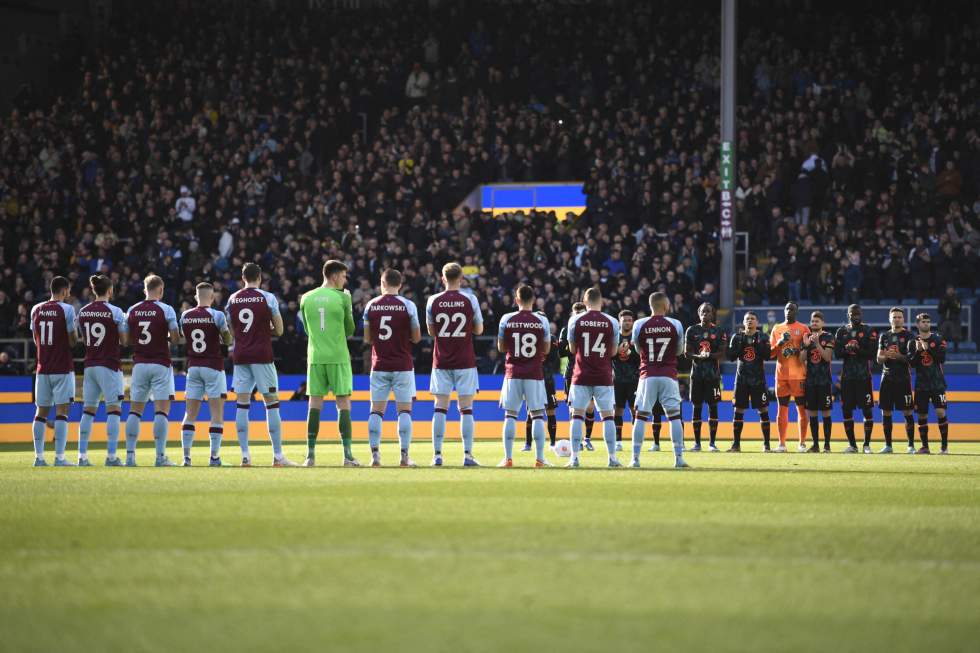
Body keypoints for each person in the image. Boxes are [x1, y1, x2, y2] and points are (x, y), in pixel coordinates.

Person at [227, 263, 296, 467]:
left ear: (243, 277)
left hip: (240, 355)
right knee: (271, 403)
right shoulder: (268, 298)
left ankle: (245, 456)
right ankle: (277, 456)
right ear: (260, 277)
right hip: (262, 354)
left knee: (242, 404)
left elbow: (232, 330)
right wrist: (265, 331)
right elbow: (281, 330)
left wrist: (245, 336)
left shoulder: (233, 299)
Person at [362, 268, 422, 467]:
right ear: (400, 284)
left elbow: (367, 338)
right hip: (403, 365)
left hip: (379, 365)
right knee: (404, 411)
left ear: (382, 283)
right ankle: (404, 456)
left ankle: (375, 456)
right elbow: (416, 337)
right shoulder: (408, 306)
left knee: (376, 411)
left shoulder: (371, 306)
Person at [426, 262, 484, 467]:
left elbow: (432, 332)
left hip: (441, 360)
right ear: (461, 279)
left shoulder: (433, 301)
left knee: (440, 408)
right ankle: (468, 455)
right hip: (465, 361)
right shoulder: (470, 300)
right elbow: (478, 330)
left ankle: (437, 455)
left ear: (443, 279)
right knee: (466, 408)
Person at [301, 260, 358, 466]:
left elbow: (307, 330)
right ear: (334, 276)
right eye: (343, 276)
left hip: (315, 358)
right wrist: (349, 305)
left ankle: (310, 456)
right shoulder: (343, 298)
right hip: (338, 357)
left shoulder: (306, 298)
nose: (345, 280)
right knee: (343, 403)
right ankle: (347, 455)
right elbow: (350, 330)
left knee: (314, 404)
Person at [125, 274, 180, 466]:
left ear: (144, 290)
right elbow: (175, 339)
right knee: (162, 410)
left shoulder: (132, 310)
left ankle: (130, 457)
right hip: (160, 363)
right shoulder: (166, 309)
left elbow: (125, 340)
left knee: (135, 410)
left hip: (139, 364)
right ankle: (160, 457)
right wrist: (164, 335)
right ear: (161, 289)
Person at [630, 292, 688, 469]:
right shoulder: (675, 324)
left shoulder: (639, 324)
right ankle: (678, 459)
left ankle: (635, 459)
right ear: (665, 305)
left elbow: (638, 349)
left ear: (651, 305)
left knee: (640, 417)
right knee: (674, 417)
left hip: (647, 374)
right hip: (669, 375)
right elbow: (679, 351)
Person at [496, 285, 552, 467]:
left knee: (510, 415)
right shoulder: (541, 320)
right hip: (534, 372)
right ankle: (540, 458)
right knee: (537, 415)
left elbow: (501, 347)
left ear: (516, 300)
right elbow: (547, 348)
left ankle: (508, 458)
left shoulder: (507, 319)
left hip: (513, 372)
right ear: (533, 300)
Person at [76, 274, 128, 466]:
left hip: (90, 365)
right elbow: (124, 341)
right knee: (113, 410)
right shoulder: (115, 311)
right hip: (109, 364)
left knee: (88, 411)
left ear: (93, 290)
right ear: (110, 290)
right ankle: (111, 456)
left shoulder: (83, 311)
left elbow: (83, 337)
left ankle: (82, 456)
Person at [566, 287, 620, 467]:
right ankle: (612, 458)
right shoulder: (612, 321)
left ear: (585, 301)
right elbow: (613, 352)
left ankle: (574, 458)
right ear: (601, 301)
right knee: (608, 417)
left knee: (577, 416)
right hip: (603, 375)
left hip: (581, 374)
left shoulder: (575, 320)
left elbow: (573, 350)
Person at [179, 282, 232, 466]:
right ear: (212, 297)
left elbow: (182, 338)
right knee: (216, 414)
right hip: (213, 366)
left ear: (196, 297)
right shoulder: (217, 315)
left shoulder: (185, 316)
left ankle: (186, 458)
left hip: (193, 366)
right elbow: (227, 339)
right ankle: (214, 458)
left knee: (190, 414)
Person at [29, 276, 78, 466]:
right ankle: (59, 458)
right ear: (64, 291)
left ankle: (39, 458)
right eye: (69, 290)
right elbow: (72, 341)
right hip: (63, 368)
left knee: (40, 412)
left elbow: (36, 339)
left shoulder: (36, 309)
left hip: (43, 368)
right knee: (62, 412)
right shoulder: (66, 309)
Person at [834, 304, 878, 454]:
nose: (856, 315)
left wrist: (857, 348)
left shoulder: (868, 331)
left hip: (864, 377)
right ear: (848, 314)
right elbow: (837, 354)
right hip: (847, 378)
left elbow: (872, 354)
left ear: (862, 314)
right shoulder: (841, 331)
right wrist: (847, 349)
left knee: (867, 410)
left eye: (858, 313)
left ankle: (866, 444)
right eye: (853, 313)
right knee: (846, 410)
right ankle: (852, 445)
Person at [684, 302, 727, 452]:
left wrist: (709, 355)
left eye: (708, 312)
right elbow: (687, 353)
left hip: (713, 376)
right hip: (696, 375)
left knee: (713, 407)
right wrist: (699, 356)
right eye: (703, 311)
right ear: (698, 313)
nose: (705, 314)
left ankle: (712, 443)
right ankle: (697, 443)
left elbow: (722, 353)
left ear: (713, 314)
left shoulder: (719, 331)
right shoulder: (692, 330)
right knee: (696, 407)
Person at [727, 312, 772, 452]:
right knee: (738, 410)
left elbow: (768, 356)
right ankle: (736, 444)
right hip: (741, 379)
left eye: (752, 319)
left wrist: (758, 343)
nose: (750, 321)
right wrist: (740, 343)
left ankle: (766, 444)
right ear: (743, 322)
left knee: (763, 409)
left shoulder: (763, 336)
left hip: (758, 379)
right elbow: (731, 357)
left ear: (757, 322)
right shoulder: (737, 337)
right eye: (747, 319)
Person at [769, 302, 810, 452]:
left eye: (792, 309)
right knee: (782, 410)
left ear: (796, 312)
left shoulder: (804, 328)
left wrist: (797, 351)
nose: (788, 311)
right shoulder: (777, 328)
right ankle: (781, 444)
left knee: (801, 410)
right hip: (781, 375)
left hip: (799, 375)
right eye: (786, 308)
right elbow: (770, 353)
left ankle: (802, 443)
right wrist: (779, 344)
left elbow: (807, 352)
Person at [876, 307, 916, 454]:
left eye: (899, 317)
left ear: (903, 319)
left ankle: (911, 445)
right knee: (885, 412)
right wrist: (886, 356)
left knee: (907, 411)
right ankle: (888, 446)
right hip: (886, 378)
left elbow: (912, 360)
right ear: (889, 319)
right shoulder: (884, 336)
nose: (897, 319)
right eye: (894, 317)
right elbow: (878, 359)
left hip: (903, 379)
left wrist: (898, 355)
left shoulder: (910, 336)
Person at [908, 314, 949, 454]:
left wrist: (928, 349)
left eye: (928, 321)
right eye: (923, 322)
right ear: (918, 324)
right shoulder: (912, 341)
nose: (926, 324)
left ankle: (944, 447)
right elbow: (911, 364)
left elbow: (941, 359)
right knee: (921, 415)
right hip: (921, 385)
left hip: (937, 383)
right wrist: (919, 352)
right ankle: (925, 446)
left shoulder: (938, 339)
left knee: (940, 412)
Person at [558, 302, 596, 450]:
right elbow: (561, 352)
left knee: (590, 407)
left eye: (582, 313)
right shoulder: (566, 329)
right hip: (572, 372)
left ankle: (587, 439)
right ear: (572, 314)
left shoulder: (593, 328)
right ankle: (577, 440)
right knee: (573, 407)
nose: (579, 316)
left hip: (589, 370)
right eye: (577, 313)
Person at [523, 312, 559, 452]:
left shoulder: (551, 338)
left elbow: (554, 361)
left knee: (550, 411)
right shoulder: (528, 337)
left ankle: (553, 443)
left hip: (547, 380)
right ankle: (528, 444)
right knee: (530, 412)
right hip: (532, 378)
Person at [800, 311, 834, 452]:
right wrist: (807, 345)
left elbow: (827, 357)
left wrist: (816, 344)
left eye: (817, 321)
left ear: (822, 323)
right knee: (812, 413)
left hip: (824, 381)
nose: (814, 323)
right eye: (813, 321)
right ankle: (815, 444)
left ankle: (826, 444)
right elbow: (801, 359)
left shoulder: (828, 337)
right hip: (811, 381)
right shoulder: (806, 337)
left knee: (826, 412)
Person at [612, 309, 641, 453]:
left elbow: (642, 357)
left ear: (633, 322)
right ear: (619, 322)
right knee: (617, 410)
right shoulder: (614, 337)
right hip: (617, 379)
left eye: (630, 320)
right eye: (625, 320)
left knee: (635, 410)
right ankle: (618, 441)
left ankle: (635, 440)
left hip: (634, 379)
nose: (628, 322)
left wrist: (631, 352)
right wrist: (616, 352)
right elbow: (607, 356)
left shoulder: (636, 338)